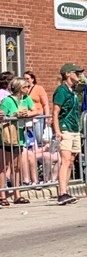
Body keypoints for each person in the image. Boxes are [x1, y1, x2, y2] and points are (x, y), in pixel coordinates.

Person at [52, 63, 84, 205]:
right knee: (65, 160)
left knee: (71, 161)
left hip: (74, 128)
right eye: (76, 73)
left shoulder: (74, 91)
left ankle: (66, 190)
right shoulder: (61, 91)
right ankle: (62, 193)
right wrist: (57, 131)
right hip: (65, 127)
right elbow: (55, 112)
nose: (78, 75)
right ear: (67, 74)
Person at [0, 76, 35, 204]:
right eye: (26, 86)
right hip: (7, 136)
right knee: (3, 166)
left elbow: (38, 110)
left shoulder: (26, 99)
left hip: (19, 136)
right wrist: (14, 115)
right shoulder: (7, 101)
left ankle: (17, 194)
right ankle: (2, 196)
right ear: (20, 88)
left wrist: (28, 114)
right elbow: (1, 115)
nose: (28, 88)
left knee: (16, 166)